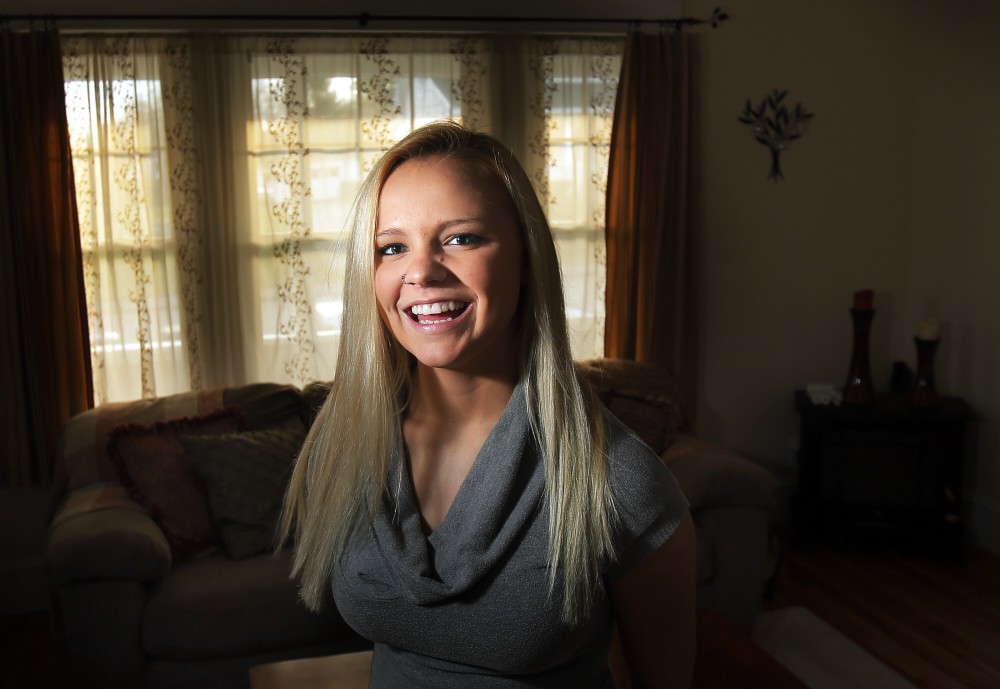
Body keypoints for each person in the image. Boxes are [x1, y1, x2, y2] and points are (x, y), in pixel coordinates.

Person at [281, 120, 696, 688]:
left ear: (526, 260)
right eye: (392, 247)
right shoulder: (346, 442)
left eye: (461, 238)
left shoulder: (618, 480)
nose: (420, 271)